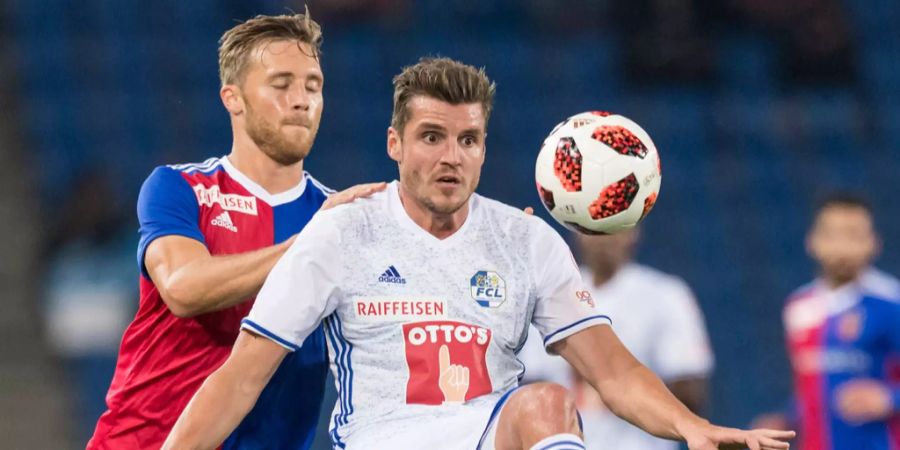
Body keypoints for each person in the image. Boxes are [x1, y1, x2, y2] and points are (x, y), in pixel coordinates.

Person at [163, 57, 794, 450]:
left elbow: (612, 369)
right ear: (395, 144)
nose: (451, 156)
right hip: (385, 440)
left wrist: (691, 427)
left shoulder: (526, 241)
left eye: (468, 140)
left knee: (549, 403)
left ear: (485, 149)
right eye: (431, 137)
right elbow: (240, 378)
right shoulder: (340, 235)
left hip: (490, 431)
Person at [87, 12, 385, 449]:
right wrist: (310, 246)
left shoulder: (342, 218)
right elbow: (183, 289)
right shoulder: (180, 188)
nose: (302, 100)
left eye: (313, 86)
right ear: (233, 98)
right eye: (281, 85)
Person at [518, 228, 714, 450]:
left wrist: (624, 387)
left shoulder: (665, 295)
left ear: (634, 232)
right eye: (595, 228)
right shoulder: (552, 294)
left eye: (613, 227)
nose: (604, 239)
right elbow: (528, 391)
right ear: (576, 232)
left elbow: (690, 390)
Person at [755, 195, 900, 450]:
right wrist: (785, 420)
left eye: (854, 235)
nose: (842, 246)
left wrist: (890, 399)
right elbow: (809, 387)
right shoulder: (798, 306)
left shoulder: (891, 302)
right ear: (812, 241)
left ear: (874, 243)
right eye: (832, 235)